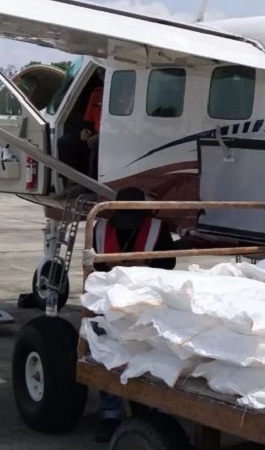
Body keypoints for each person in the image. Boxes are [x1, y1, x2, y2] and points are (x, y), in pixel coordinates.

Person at [92, 187, 176, 442]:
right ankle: (149, 406)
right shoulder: (155, 228)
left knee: (109, 353)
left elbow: (96, 265)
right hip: (145, 302)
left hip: (111, 301)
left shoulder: (99, 227)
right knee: (149, 352)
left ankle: (111, 414)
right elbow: (169, 263)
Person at [57, 67, 104, 181]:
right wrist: (85, 131)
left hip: (115, 134)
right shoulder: (96, 94)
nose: (102, 77)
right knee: (64, 142)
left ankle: (92, 185)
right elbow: (88, 121)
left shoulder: (126, 94)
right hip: (96, 133)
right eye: (101, 75)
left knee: (96, 143)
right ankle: (70, 181)